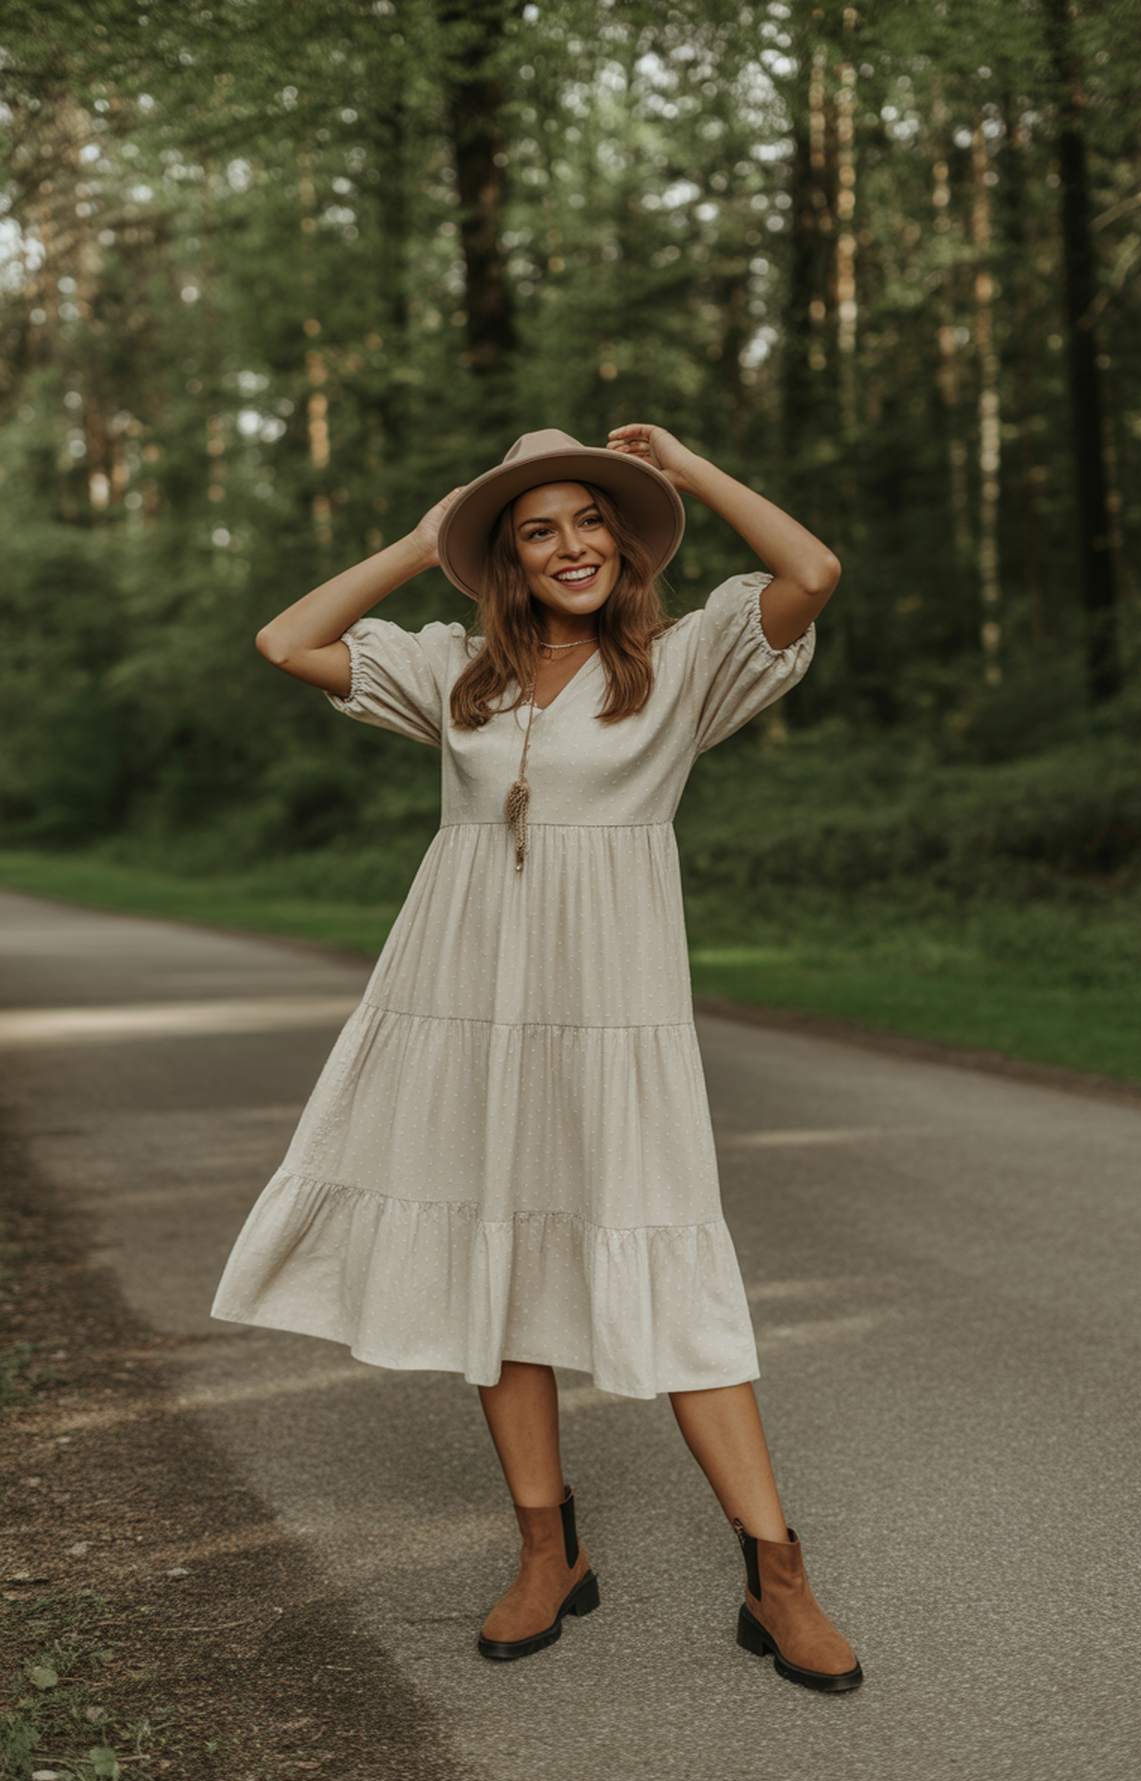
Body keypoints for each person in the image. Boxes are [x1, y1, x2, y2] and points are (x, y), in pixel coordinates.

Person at [212, 422, 862, 1693]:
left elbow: (817, 573)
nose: (570, 546)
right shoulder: (458, 671)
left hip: (616, 1008)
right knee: (497, 1255)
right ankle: (544, 1550)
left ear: (624, 538)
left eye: (590, 519)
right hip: (464, 1001)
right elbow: (284, 642)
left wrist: (691, 472)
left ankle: (778, 1574)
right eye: (536, 528)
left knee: (664, 1250)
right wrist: (421, 539)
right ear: (507, 557)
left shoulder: (687, 662)